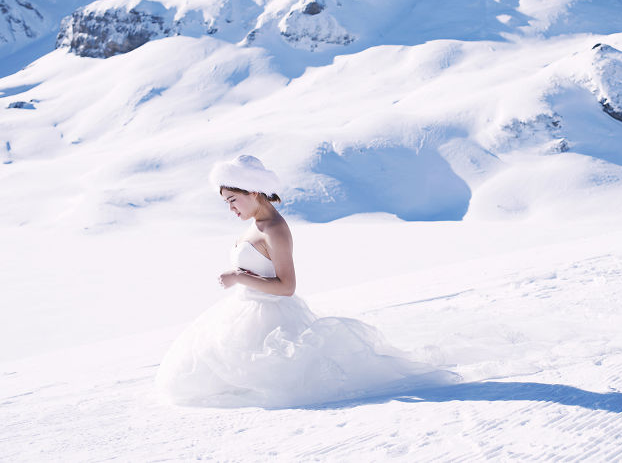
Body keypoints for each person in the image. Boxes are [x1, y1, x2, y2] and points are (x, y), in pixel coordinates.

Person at [155, 154, 457, 408]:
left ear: (254, 192)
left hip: (269, 319)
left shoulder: (274, 229)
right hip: (243, 312)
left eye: (233, 199)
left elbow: (287, 288)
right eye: (226, 202)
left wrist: (239, 277)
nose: (231, 208)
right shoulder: (257, 223)